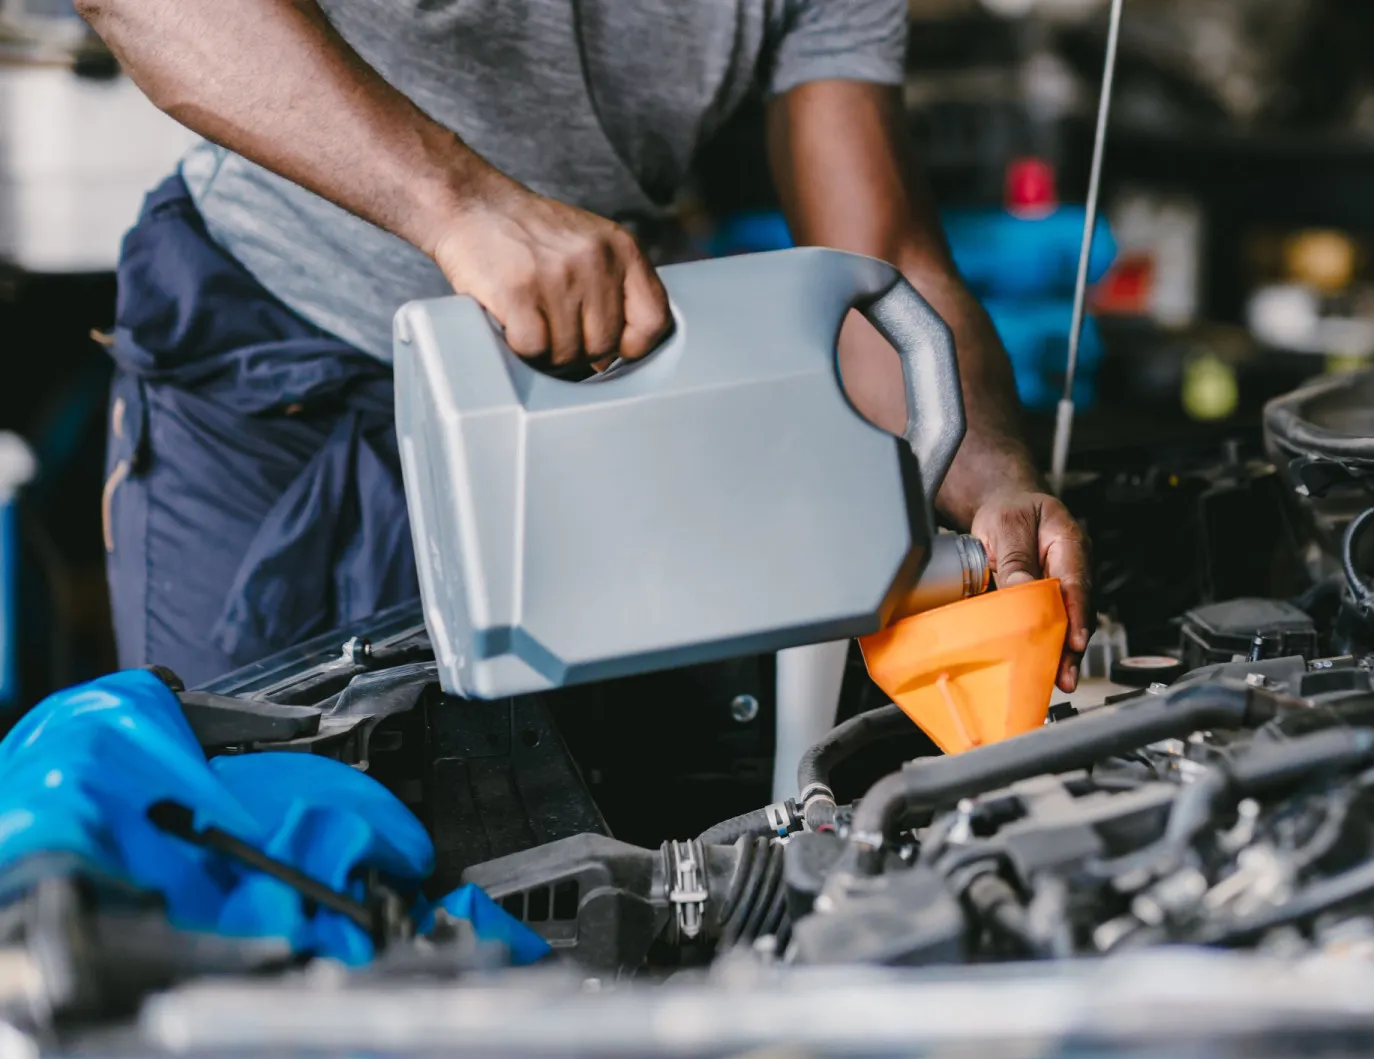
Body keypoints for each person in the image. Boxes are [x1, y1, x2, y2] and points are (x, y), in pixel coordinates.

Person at [77, 0, 1091, 690]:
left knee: (535, 848)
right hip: (277, 378)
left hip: (567, 412)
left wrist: (991, 476)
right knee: (241, 841)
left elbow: (882, 266)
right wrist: (459, 203)